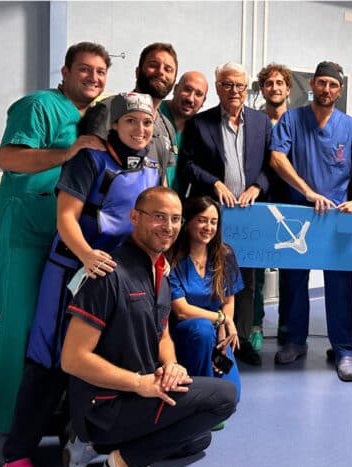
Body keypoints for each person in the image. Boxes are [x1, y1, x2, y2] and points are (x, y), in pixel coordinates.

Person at [0, 92, 163, 467]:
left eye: (146, 123)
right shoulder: (89, 160)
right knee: (50, 358)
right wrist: (88, 256)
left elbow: (148, 224)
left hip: (118, 279)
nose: (140, 130)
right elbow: (67, 217)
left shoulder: (152, 167)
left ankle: (86, 442)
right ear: (114, 125)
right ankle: (16, 453)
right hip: (73, 272)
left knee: (105, 361)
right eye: (131, 121)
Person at [59, 187, 237, 467]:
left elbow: (163, 334)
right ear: (134, 217)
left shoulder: (159, 271)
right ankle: (123, 464)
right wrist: (139, 383)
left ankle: (90, 447)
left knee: (199, 439)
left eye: (175, 219)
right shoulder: (109, 273)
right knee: (224, 398)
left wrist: (171, 365)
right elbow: (72, 359)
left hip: (139, 392)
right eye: (158, 217)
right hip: (107, 405)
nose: (168, 226)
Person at [0, 41, 110, 460]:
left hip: (65, 238)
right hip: (25, 229)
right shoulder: (39, 106)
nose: (93, 77)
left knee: (55, 330)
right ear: (65, 72)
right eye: (85, 69)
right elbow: (9, 158)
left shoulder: (94, 118)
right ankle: (0, 426)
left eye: (100, 71)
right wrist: (67, 152)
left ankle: (45, 420)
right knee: (18, 326)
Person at [269, 60, 352, 382]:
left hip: (336, 218)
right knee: (293, 282)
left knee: (339, 285)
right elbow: (277, 157)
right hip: (299, 213)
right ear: (312, 85)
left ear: (339, 90)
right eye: (322, 83)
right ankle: (294, 341)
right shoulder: (292, 119)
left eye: (333, 85)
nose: (327, 89)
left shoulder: (349, 127)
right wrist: (306, 191)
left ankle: (344, 349)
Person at [178, 62, 272, 366]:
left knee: (246, 279)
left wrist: (257, 185)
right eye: (227, 84)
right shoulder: (199, 123)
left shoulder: (261, 122)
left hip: (248, 213)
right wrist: (215, 182)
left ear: (247, 88)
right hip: (212, 212)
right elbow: (187, 165)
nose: (234, 91)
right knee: (212, 273)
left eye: (240, 85)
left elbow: (271, 165)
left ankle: (239, 339)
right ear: (218, 87)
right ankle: (209, 335)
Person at [167, 196, 243, 401]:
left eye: (213, 222)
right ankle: (200, 396)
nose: (208, 227)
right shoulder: (172, 258)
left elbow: (229, 301)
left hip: (216, 333)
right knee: (201, 329)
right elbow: (181, 311)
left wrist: (223, 329)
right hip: (188, 333)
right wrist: (222, 319)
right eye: (202, 220)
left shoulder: (225, 254)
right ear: (187, 221)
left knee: (232, 395)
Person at [81, 42, 178, 176]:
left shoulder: (167, 127)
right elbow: (85, 165)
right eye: (153, 65)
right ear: (137, 72)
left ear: (174, 81)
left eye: (168, 69)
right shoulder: (108, 109)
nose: (161, 72)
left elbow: (162, 177)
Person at [253, 63, 293, 348]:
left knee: (291, 269)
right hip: (259, 201)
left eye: (280, 83)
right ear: (262, 89)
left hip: (291, 202)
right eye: (269, 83)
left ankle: (288, 326)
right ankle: (255, 324)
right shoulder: (254, 122)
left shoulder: (298, 122)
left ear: (288, 88)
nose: (275, 88)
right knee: (255, 270)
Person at [159, 71, 209, 190]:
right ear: (175, 89)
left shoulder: (199, 129)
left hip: (180, 200)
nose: (190, 99)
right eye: (187, 89)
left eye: (198, 94)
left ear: (203, 101)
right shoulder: (155, 114)